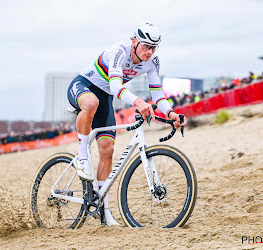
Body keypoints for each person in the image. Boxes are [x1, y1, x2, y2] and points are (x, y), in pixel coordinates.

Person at [67, 22, 187, 226]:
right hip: (83, 86)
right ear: (134, 42)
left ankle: (104, 212)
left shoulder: (153, 62)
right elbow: (115, 85)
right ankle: (82, 156)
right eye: (145, 46)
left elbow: (157, 94)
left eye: (153, 47)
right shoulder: (119, 51)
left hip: (105, 99)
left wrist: (171, 112)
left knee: (107, 150)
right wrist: (138, 101)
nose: (149, 52)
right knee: (90, 102)